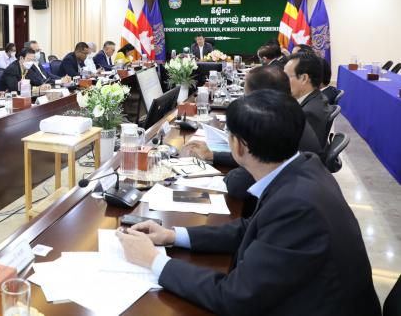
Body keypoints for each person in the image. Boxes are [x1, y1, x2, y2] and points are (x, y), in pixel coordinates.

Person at [115, 90, 380, 315]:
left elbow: (235, 297)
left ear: (239, 146)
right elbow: (251, 227)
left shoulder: (297, 206)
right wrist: (172, 235)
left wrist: (154, 261)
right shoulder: (303, 167)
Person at [184, 65, 323, 199]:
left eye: (245, 95)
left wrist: (230, 173)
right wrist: (213, 155)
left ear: (258, 98)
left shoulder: (271, 126)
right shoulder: (290, 114)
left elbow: (237, 184)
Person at [284, 52, 334, 148]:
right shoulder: (318, 97)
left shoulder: (308, 113)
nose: (283, 80)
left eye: (286, 76)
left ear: (304, 78)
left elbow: (302, 150)